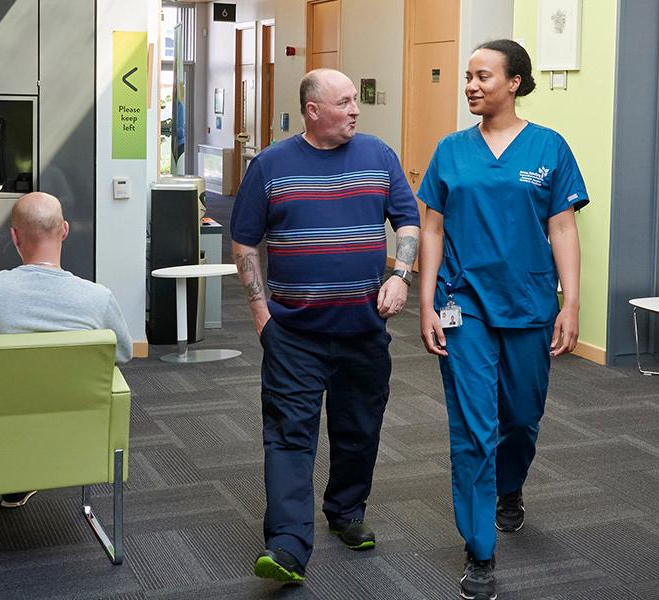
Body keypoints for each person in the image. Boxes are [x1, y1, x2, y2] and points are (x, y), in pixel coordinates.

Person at [230, 68, 420, 583]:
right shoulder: (271, 165)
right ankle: (288, 545)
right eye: (344, 101)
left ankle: (346, 512)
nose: (356, 109)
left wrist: (401, 274)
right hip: (293, 333)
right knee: (290, 436)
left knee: (359, 428)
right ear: (314, 110)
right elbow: (245, 242)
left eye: (356, 99)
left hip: (363, 328)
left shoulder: (379, 156)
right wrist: (261, 316)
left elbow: (407, 219)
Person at [415, 39, 587, 600]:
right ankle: (479, 550)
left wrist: (572, 301)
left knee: (521, 415)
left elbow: (562, 226)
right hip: (463, 304)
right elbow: (434, 229)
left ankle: (509, 485)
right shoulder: (450, 151)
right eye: (468, 76)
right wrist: (425, 299)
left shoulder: (548, 148)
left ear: (514, 82)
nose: (471, 85)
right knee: (472, 429)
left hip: (529, 302)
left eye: (483, 76)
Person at [0, 192, 135, 508]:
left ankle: (14, 474)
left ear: (14, 236)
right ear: (64, 230)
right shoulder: (98, 298)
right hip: (73, 430)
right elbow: (122, 353)